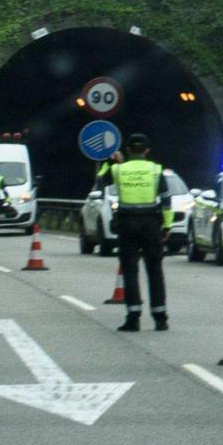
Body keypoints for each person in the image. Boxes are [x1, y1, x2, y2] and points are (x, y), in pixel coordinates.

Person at [94, 134, 172, 331]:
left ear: (128, 150)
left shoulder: (119, 169)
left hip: (127, 223)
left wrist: (110, 161)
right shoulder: (155, 169)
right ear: (146, 150)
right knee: (155, 270)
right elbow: (166, 200)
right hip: (151, 223)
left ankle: (133, 317)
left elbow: (100, 181)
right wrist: (167, 226)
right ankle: (160, 318)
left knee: (130, 270)